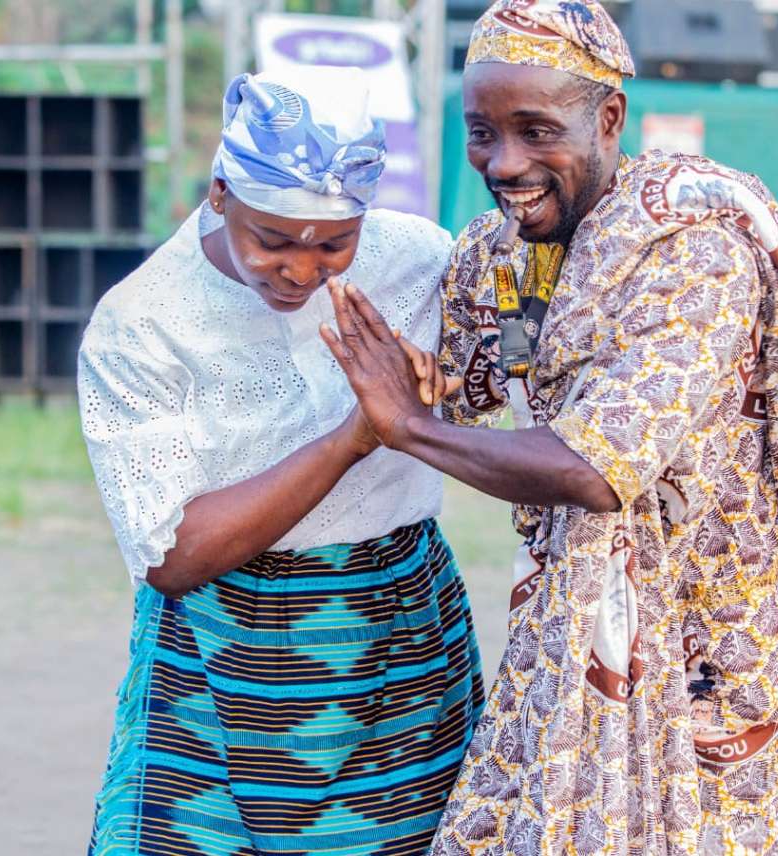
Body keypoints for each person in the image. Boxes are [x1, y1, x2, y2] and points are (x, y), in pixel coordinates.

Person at [320, 2, 778, 852]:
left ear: (608, 118)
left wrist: (410, 427)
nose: (505, 162)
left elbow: (596, 468)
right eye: (481, 132)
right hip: (570, 645)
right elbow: (468, 387)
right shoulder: (500, 254)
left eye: (535, 130)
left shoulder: (693, 247)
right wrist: (424, 391)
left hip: (716, 669)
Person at [78, 67, 484, 854]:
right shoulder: (143, 323)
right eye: (272, 240)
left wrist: (442, 387)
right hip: (223, 653)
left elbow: (487, 385)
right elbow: (174, 553)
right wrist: (355, 438)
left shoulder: (418, 258)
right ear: (222, 193)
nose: (302, 269)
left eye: (335, 244)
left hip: (394, 638)